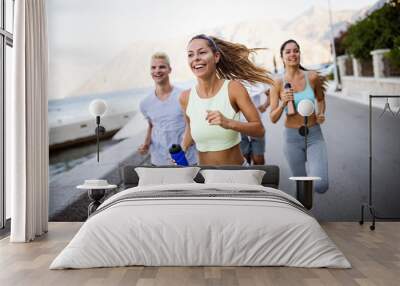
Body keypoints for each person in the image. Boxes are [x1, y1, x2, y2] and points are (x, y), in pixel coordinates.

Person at [179, 34, 273, 165]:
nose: (196, 58)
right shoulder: (185, 97)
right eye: (190, 55)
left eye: (202, 52)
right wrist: (181, 149)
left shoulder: (233, 88)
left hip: (236, 175)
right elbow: (190, 129)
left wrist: (228, 123)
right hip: (205, 178)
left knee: (258, 159)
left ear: (216, 57)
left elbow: (259, 129)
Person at [269, 39, 329, 193]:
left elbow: (321, 99)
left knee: (321, 186)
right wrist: (283, 103)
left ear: (300, 53)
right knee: (302, 189)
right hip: (292, 138)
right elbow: (273, 118)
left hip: (314, 135)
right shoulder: (277, 83)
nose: (292, 54)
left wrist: (321, 113)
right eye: (287, 52)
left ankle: (314, 173)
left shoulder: (312, 77)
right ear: (282, 57)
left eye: (295, 50)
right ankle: (304, 213)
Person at [138, 52, 197, 166]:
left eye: (162, 67)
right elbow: (152, 125)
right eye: (153, 67)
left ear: (169, 69)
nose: (157, 70)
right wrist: (146, 144)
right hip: (159, 161)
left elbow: (192, 126)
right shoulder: (145, 103)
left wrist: (183, 150)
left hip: (185, 159)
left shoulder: (183, 96)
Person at [240, 82, 270, 165]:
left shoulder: (256, 78)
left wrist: (264, 106)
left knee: (259, 160)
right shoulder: (233, 79)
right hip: (239, 124)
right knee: (244, 158)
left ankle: (258, 177)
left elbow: (270, 93)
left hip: (256, 124)